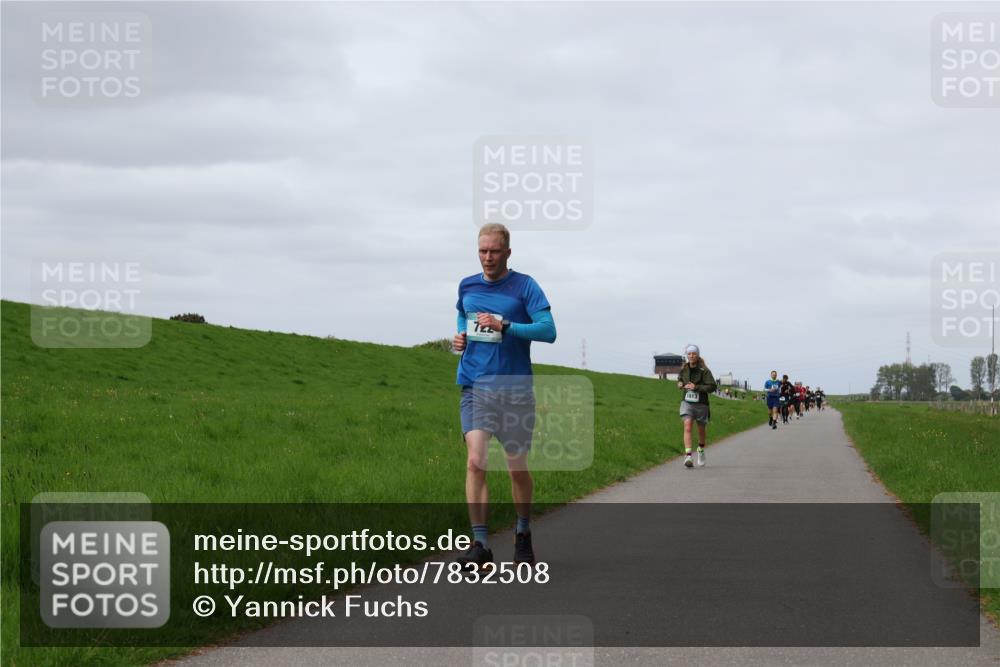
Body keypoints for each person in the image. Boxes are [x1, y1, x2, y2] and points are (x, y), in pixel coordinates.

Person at [451, 223, 556, 569]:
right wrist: (460, 337)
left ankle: (522, 531)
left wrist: (506, 326)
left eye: (494, 251)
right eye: (483, 251)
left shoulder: (525, 286)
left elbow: (548, 331)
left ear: (508, 252)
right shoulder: (467, 285)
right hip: (475, 385)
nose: (488, 257)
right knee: (475, 461)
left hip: (514, 390)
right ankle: (480, 544)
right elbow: (463, 315)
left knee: (516, 469)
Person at [677, 345, 717, 468]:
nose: (691, 356)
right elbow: (680, 379)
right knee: (687, 425)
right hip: (687, 402)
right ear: (687, 355)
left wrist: (696, 387)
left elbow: (712, 386)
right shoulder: (684, 369)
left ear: (698, 355)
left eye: (694, 354)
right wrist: (680, 384)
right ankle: (688, 456)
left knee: (701, 430)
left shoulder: (704, 371)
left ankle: (700, 449)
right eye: (689, 354)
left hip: (701, 404)